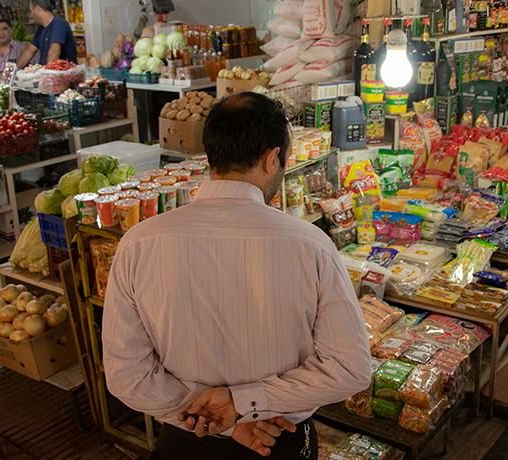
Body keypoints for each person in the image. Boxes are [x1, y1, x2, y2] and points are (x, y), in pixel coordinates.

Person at [102, 92, 372, 459]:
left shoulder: (138, 243)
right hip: (277, 439)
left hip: (187, 440)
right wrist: (243, 405)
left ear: (210, 155)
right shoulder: (312, 245)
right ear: (272, 159)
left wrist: (220, 417)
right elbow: (350, 369)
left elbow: (127, 376)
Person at [16, 0, 77, 67]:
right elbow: (29, 51)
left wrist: (47, 71)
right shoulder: (41, 28)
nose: (31, 15)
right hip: (46, 71)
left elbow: (54, 51)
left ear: (37, 9)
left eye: (31, 11)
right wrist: (14, 69)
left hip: (63, 72)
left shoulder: (59, 23)